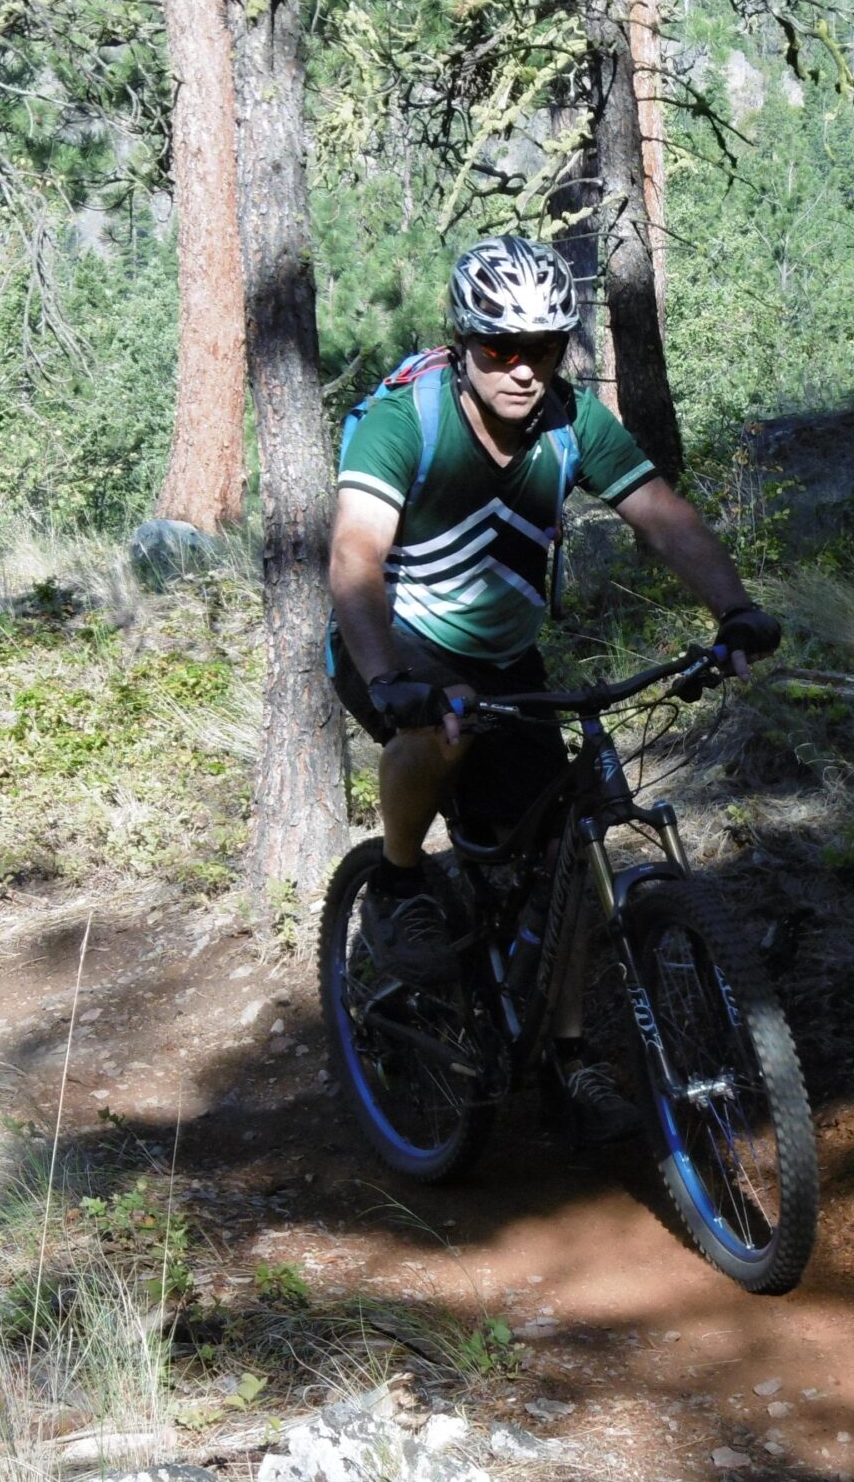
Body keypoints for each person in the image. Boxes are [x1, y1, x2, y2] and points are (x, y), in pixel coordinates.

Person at [327, 234, 781, 1142]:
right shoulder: (404, 419)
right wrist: (391, 682)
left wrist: (734, 609)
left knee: (563, 858)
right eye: (502, 349)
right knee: (441, 731)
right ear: (464, 342)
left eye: (544, 348)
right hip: (396, 642)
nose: (525, 370)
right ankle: (401, 881)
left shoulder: (574, 422)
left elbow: (660, 514)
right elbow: (354, 561)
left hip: (508, 659)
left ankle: (568, 1055)